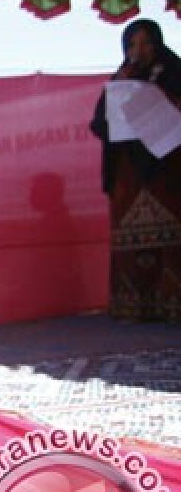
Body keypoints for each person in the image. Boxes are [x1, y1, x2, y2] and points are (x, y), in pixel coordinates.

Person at [89, 18, 181, 323]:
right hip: (129, 173)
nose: (138, 50)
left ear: (157, 44)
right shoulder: (120, 78)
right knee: (130, 240)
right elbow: (99, 123)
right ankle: (133, 305)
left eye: (145, 43)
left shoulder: (175, 71)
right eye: (132, 45)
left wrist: (160, 99)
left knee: (173, 238)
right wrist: (123, 89)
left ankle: (172, 304)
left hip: (168, 170)